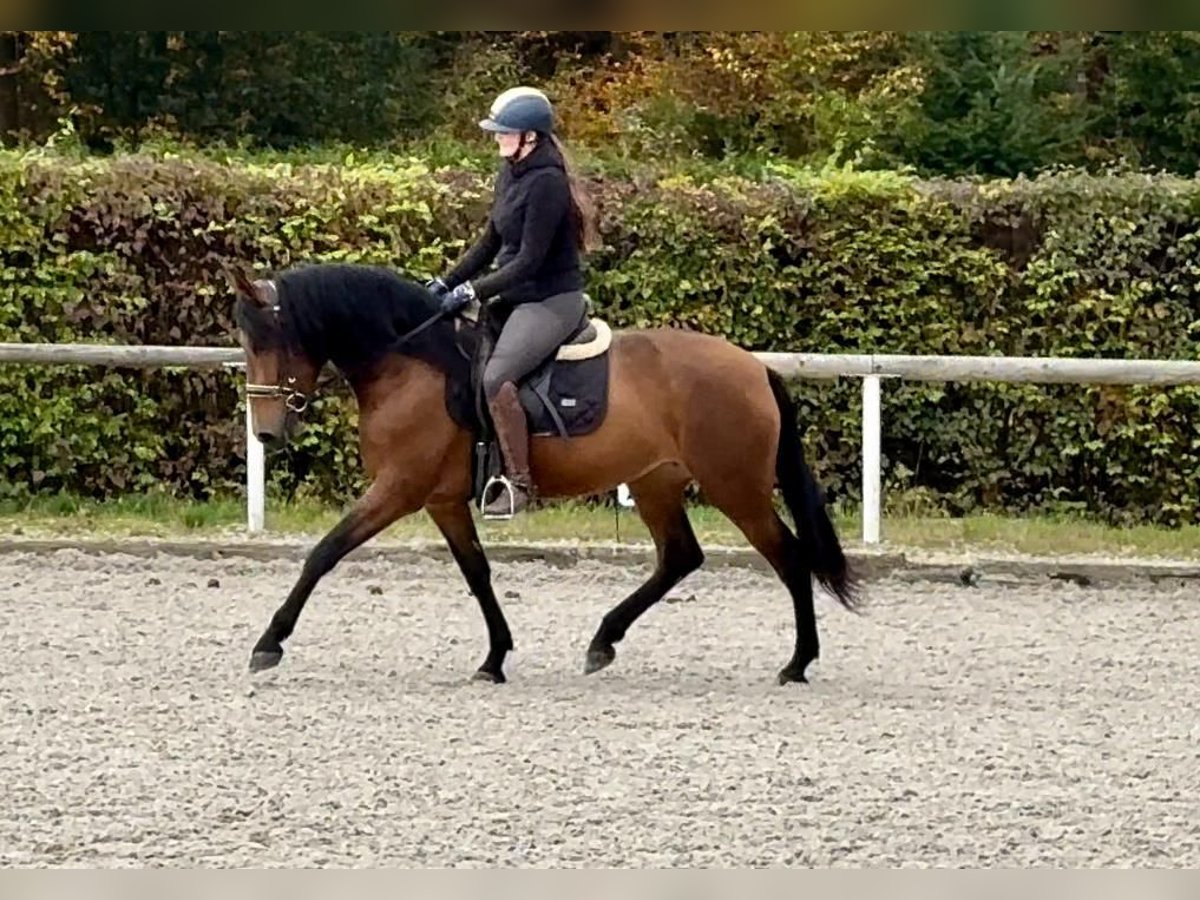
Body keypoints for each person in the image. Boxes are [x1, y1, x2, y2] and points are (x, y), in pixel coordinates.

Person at [428, 86, 600, 518]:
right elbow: (489, 243)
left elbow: (527, 262)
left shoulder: (548, 184)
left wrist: (472, 292)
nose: (497, 139)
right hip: (516, 296)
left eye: (506, 133)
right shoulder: (510, 173)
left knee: (496, 376)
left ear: (531, 138)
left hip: (551, 300)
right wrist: (444, 283)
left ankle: (520, 484)